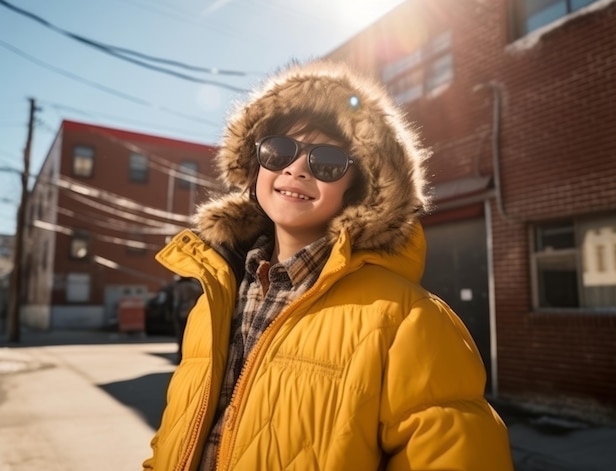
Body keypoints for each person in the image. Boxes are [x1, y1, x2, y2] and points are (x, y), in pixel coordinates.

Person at [143, 59, 514, 471]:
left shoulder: (408, 320)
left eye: (327, 162)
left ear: (359, 187)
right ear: (254, 165)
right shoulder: (215, 299)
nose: (296, 168)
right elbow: (174, 436)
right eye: (278, 149)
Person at [171, 276, 203, 363]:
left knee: (181, 336)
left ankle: (181, 357)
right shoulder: (196, 286)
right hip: (195, 313)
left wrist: (174, 314)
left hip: (182, 313)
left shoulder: (179, 287)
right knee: (193, 337)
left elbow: (177, 302)